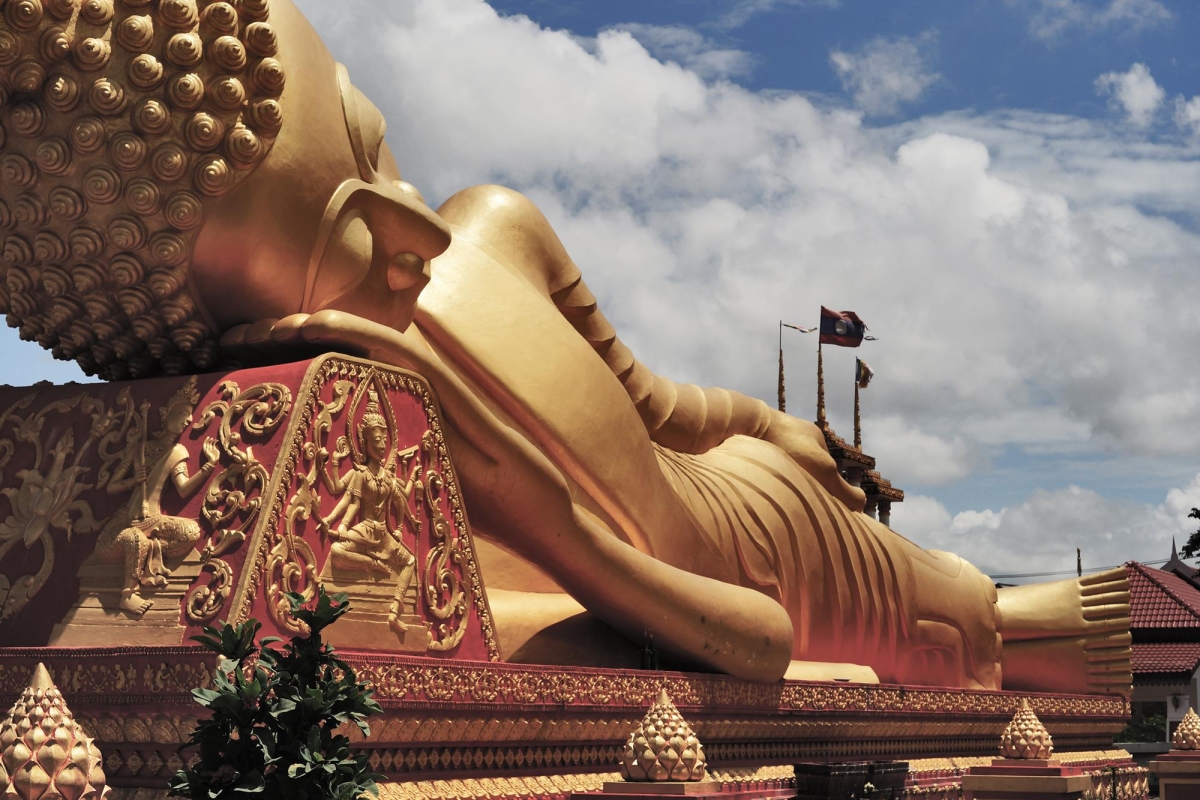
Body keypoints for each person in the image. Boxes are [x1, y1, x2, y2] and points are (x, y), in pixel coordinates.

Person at [0, 0, 1130, 691]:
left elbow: (658, 403)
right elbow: (755, 635)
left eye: (374, 142)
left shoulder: (493, 227)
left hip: (750, 489)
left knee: (968, 601)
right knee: (943, 615)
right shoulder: (365, 447)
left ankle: (1022, 624)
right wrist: (570, 535)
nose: (419, 232)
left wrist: (766, 421)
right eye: (351, 234)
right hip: (737, 572)